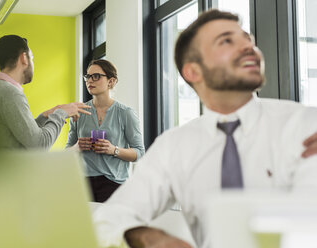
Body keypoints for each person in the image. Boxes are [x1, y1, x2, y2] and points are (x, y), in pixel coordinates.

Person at [93, 9, 317, 248]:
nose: (249, 47)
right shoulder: (174, 146)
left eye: (248, 40)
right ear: (193, 71)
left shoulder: (305, 125)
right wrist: (146, 237)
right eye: (227, 41)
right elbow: (110, 218)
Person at [0, 35, 91, 150]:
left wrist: (45, 116)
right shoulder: (9, 94)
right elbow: (40, 145)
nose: (32, 63)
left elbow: (22, 136)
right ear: (24, 58)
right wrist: (61, 114)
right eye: (32, 57)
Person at [66, 59, 145, 202]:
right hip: (83, 185)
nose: (90, 80)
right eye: (87, 77)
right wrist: (77, 147)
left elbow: (139, 153)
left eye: (95, 76)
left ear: (111, 81)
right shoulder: (79, 112)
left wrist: (113, 150)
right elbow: (67, 152)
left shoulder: (125, 113)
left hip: (115, 185)